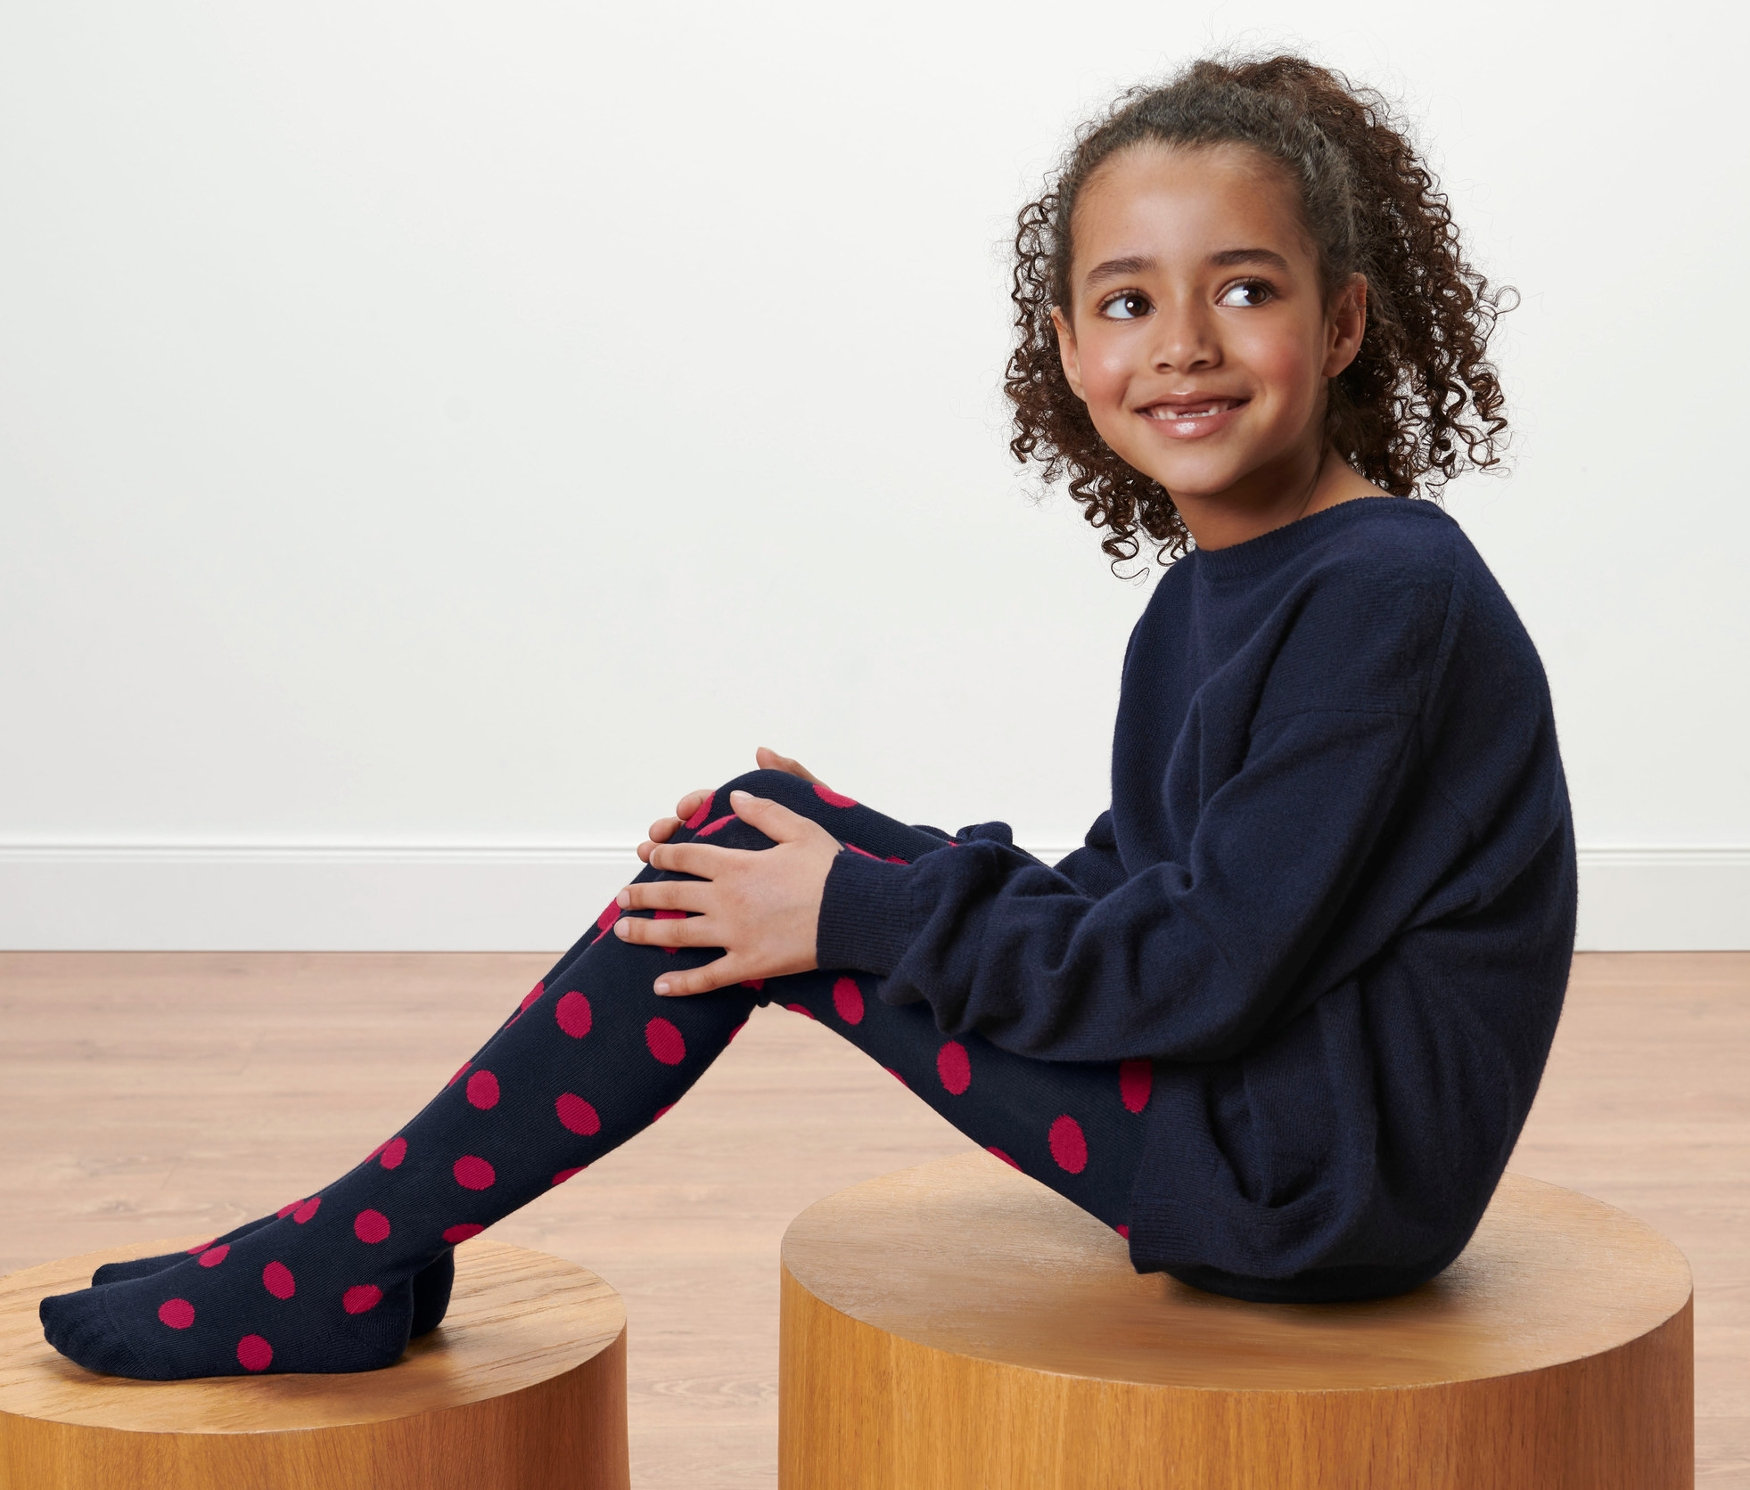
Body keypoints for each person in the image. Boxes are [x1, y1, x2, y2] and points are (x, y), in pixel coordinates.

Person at [40, 51, 1575, 1379]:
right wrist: (855, 855)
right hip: (1269, 1129)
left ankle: (336, 1258)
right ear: (1067, 352)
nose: (1181, 340)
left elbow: (1199, 972)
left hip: (1306, 1186)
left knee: (763, 872)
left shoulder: (1383, 595)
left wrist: (853, 903)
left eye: (1243, 289)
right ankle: (356, 1248)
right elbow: (1132, 897)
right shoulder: (1210, 600)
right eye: (1127, 300)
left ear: (1349, 319)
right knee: (758, 839)